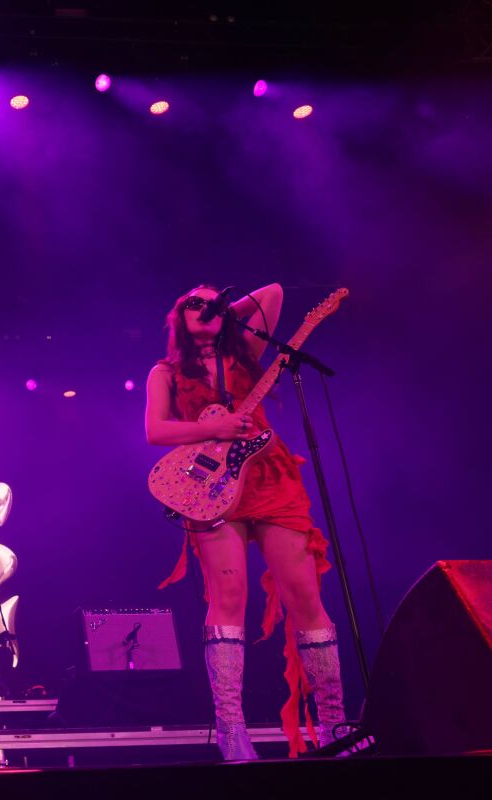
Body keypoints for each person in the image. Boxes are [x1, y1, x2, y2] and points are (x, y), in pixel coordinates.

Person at [144, 284, 344, 760]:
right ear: (176, 317)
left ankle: (334, 724)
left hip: (270, 478)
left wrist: (220, 311)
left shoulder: (246, 353)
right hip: (211, 487)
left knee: (304, 594)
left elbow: (272, 293)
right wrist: (210, 428)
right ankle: (232, 730)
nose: (204, 307)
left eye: (211, 301)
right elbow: (155, 430)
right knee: (229, 597)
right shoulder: (165, 371)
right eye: (192, 302)